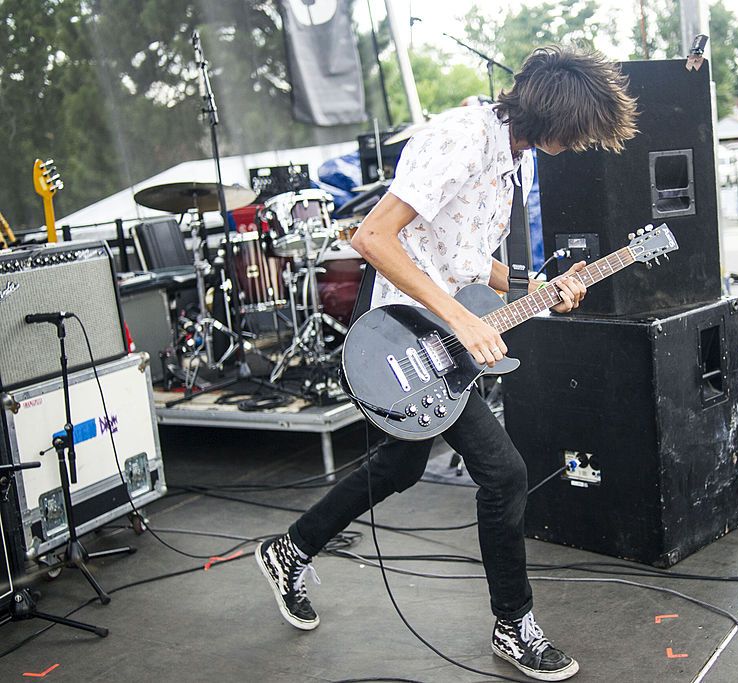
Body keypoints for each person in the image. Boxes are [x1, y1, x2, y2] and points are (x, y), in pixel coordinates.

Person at [256, 45, 638, 682]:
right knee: (505, 473)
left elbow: (463, 263)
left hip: (436, 332)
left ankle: (290, 549)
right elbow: (372, 237)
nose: (577, 145)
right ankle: (514, 626)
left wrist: (539, 291)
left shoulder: (508, 159)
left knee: (402, 464)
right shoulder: (464, 137)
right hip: (402, 333)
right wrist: (460, 318)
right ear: (553, 111)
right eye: (578, 131)